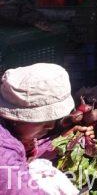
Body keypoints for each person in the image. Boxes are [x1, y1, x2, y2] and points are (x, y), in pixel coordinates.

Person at [0, 63, 76, 195]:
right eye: (43, 121)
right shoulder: (4, 156)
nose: (51, 126)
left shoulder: (9, 132)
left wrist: (59, 144)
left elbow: (20, 154)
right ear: (17, 118)